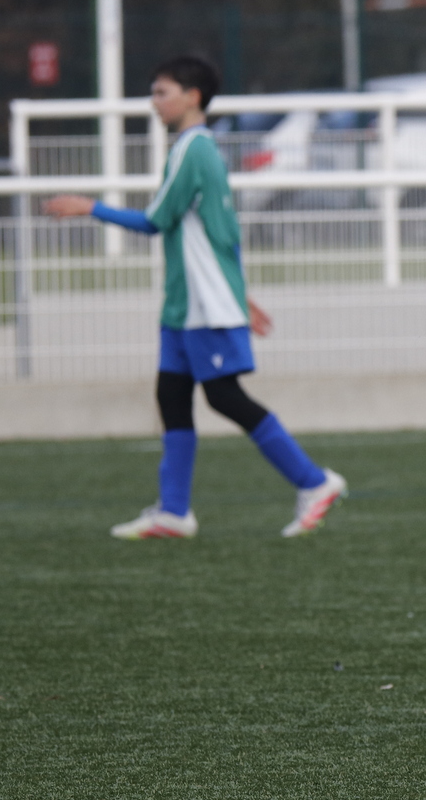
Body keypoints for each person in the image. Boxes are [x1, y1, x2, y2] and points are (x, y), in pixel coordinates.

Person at [43, 56, 347, 540]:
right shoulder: (199, 150)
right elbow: (223, 232)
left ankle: (314, 482)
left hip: (204, 304)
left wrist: (91, 207)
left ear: (192, 97)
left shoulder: (193, 149)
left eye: (161, 92)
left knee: (224, 396)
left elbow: (156, 221)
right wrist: (243, 295)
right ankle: (173, 512)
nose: (154, 102)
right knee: (172, 395)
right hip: (184, 305)